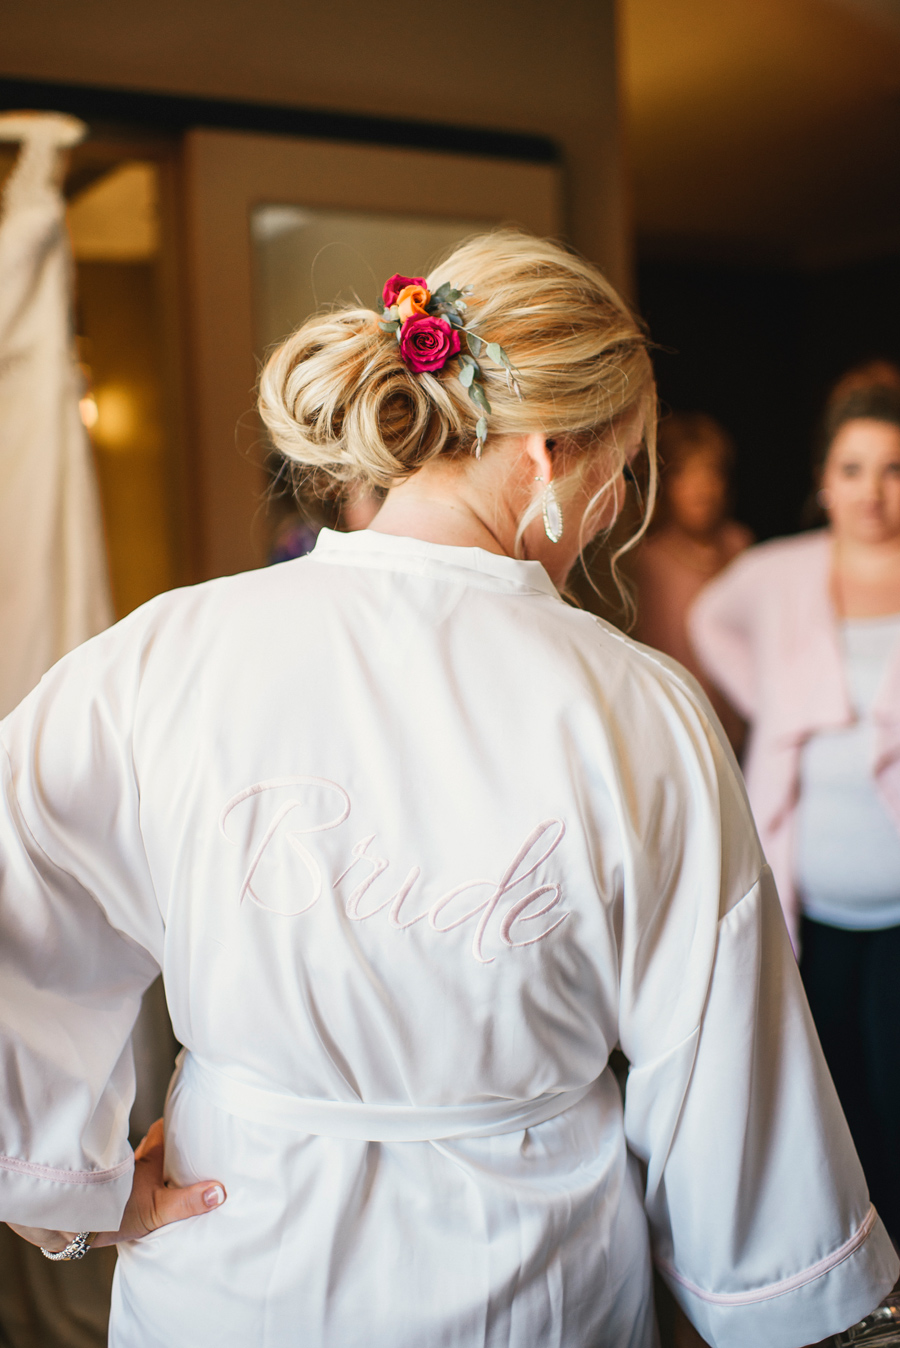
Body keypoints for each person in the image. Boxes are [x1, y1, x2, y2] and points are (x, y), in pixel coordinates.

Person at [0, 233, 895, 1348]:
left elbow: (13, 888)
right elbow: (723, 1065)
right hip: (530, 1284)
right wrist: (778, 1295)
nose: (613, 510)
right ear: (549, 450)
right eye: (621, 471)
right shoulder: (638, 708)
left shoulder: (167, 651)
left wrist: (63, 1183)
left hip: (231, 1262)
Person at [690, 383, 900, 1244]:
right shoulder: (778, 572)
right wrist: (774, 704)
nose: (872, 491)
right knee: (829, 1100)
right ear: (823, 480)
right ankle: (855, 1275)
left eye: (894, 470)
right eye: (853, 469)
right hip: (807, 900)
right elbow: (709, 621)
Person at [631, 412, 752, 751]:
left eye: (712, 472)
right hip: (686, 724)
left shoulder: (740, 546)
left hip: (742, 718)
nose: (703, 487)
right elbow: (659, 650)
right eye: (687, 473)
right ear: (666, 485)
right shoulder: (652, 559)